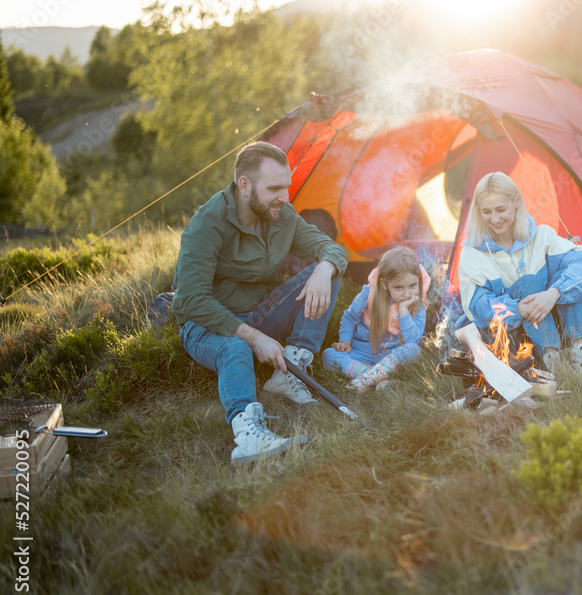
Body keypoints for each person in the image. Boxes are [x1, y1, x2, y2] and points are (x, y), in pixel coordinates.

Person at [171, 141, 348, 465]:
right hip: (207, 324)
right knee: (235, 347)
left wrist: (324, 268)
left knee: (328, 271)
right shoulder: (207, 223)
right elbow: (190, 299)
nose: (285, 196)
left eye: (287, 187)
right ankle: (248, 434)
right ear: (244, 185)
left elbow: (331, 248)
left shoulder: (282, 215)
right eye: (275, 188)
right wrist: (252, 337)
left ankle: (289, 370)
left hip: (262, 311)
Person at [457, 172, 582, 382]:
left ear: (516, 201)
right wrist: (518, 309)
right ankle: (557, 366)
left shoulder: (542, 236)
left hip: (554, 329)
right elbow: (479, 308)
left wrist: (554, 293)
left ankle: (581, 358)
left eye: (501, 209)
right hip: (510, 340)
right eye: (487, 212)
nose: (494, 219)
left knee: (565, 278)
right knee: (529, 282)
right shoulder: (472, 253)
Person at [322, 247, 430, 391]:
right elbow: (349, 317)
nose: (407, 293)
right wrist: (345, 340)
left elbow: (412, 341)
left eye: (412, 286)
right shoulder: (369, 294)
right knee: (328, 355)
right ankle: (375, 379)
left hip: (391, 359)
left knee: (414, 350)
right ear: (385, 284)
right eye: (399, 288)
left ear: (419, 280)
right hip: (361, 354)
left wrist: (404, 312)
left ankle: (365, 380)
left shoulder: (418, 304)